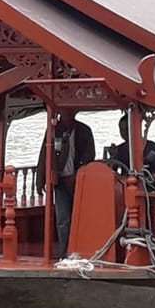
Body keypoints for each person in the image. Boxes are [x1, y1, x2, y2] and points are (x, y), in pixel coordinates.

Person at [36, 109, 95, 257]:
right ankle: (65, 253)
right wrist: (40, 179)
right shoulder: (53, 131)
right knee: (63, 219)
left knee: (82, 217)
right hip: (60, 182)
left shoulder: (84, 131)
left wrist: (78, 174)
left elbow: (90, 155)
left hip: (79, 181)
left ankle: (81, 250)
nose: (68, 114)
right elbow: (44, 154)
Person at [110, 114, 155, 188]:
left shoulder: (151, 147)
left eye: (127, 129)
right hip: (124, 187)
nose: (124, 132)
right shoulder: (119, 149)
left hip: (149, 187)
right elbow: (112, 172)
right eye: (121, 129)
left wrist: (151, 178)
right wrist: (112, 156)